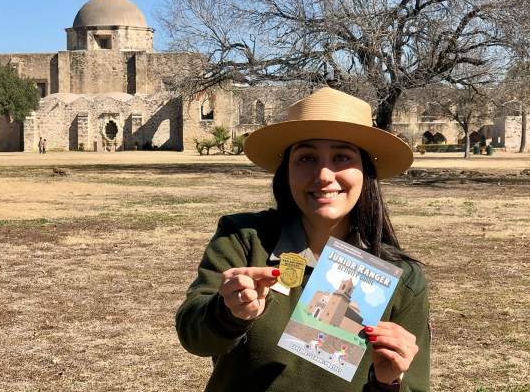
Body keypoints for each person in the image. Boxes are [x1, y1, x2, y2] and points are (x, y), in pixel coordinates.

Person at [176, 88, 430, 392]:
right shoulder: (243, 240)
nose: (324, 175)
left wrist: (388, 382)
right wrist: (228, 312)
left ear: (365, 171)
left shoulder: (402, 277)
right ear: (286, 171)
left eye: (342, 157)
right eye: (307, 157)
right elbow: (194, 336)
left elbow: (414, 386)